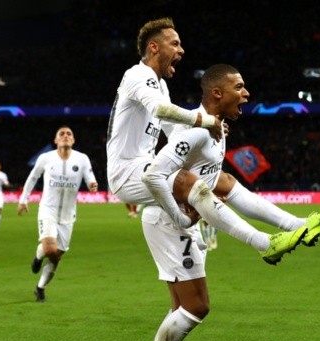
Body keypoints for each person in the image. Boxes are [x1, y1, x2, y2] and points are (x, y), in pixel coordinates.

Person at [129, 64, 320, 341]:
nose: (246, 94)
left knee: (183, 308)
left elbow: (228, 187)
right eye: (239, 88)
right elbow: (158, 174)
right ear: (217, 93)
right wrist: (178, 216)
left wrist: (297, 226)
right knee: (197, 306)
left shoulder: (218, 130)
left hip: (191, 222)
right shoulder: (194, 132)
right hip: (170, 222)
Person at [107, 17, 303, 267]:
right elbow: (160, 110)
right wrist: (205, 120)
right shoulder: (137, 75)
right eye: (175, 44)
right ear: (154, 47)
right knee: (189, 181)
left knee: (220, 179)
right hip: (126, 172)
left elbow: (173, 130)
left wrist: (208, 129)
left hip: (144, 165)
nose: (181, 50)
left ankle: (291, 224)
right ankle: (263, 243)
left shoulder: (161, 86)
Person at [17, 126, 98, 302]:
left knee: (56, 257)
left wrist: (93, 184)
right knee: (49, 249)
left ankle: (40, 288)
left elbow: (90, 177)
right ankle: (39, 256)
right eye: (62, 134)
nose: (66, 136)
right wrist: (23, 200)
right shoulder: (46, 158)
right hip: (48, 210)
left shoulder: (82, 159)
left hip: (68, 215)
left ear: (73, 140)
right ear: (56, 140)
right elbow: (32, 177)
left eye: (69, 133)